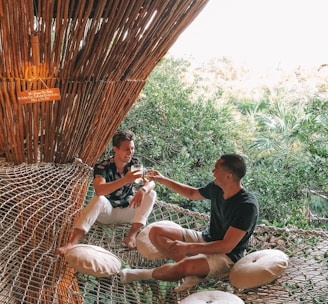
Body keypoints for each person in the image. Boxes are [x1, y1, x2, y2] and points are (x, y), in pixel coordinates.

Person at [120, 153, 258, 292]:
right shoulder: (217, 187)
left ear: (228, 176)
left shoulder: (246, 206)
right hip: (207, 238)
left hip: (227, 256)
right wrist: (163, 179)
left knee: (184, 267)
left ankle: (139, 274)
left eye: (216, 168)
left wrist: (188, 247)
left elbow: (226, 246)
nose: (213, 171)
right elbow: (192, 194)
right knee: (156, 232)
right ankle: (192, 273)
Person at [57, 130, 156, 254]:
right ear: (116, 149)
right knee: (98, 199)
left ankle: (131, 236)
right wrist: (126, 180)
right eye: (126, 149)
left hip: (127, 210)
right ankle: (71, 243)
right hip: (107, 212)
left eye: (132, 148)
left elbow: (152, 182)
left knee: (151, 194)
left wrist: (143, 189)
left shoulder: (135, 164)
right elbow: (100, 190)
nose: (130, 152)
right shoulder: (102, 166)